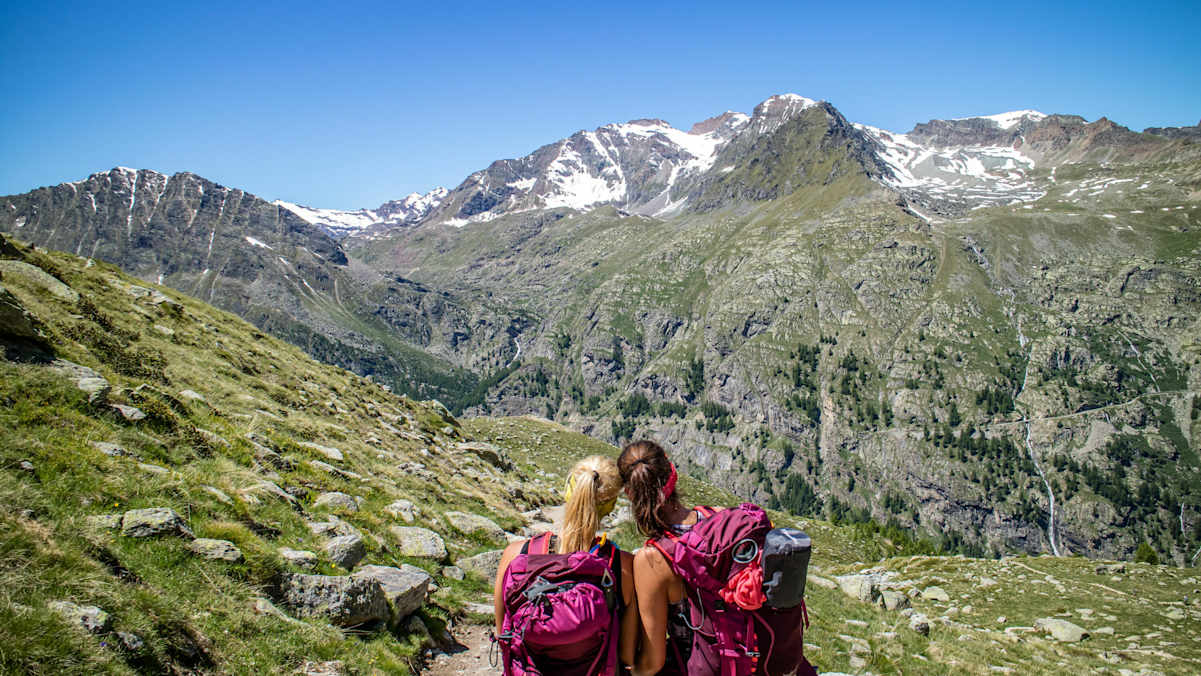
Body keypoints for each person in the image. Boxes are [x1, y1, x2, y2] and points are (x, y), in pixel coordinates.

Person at [492, 455, 639, 675]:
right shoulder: (622, 565)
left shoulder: (516, 555)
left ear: (568, 491)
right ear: (611, 505)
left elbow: (502, 630)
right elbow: (627, 655)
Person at [617, 440, 701, 676]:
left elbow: (652, 663)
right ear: (672, 473)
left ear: (630, 494)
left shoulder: (652, 559)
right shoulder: (716, 518)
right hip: (747, 659)